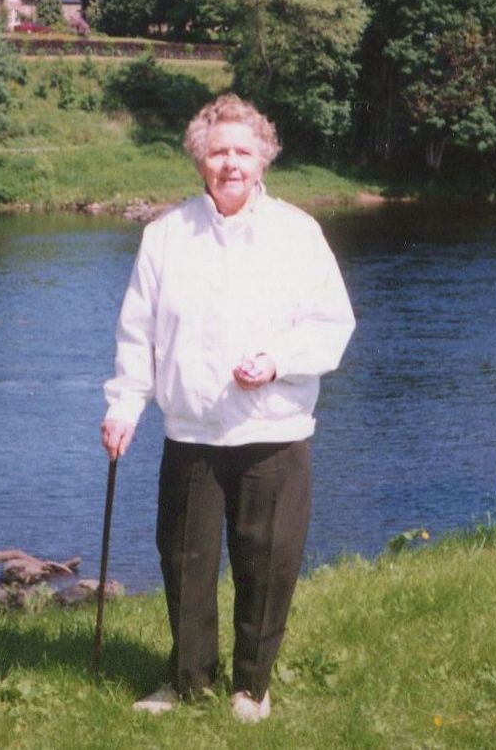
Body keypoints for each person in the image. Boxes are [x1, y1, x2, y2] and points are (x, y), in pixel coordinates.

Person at [100, 94, 355, 724]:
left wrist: (277, 360)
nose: (231, 163)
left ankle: (251, 687)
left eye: (243, 151)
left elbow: (333, 324)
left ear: (264, 157)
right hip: (190, 431)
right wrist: (125, 406)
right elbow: (139, 335)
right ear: (199, 161)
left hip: (273, 430)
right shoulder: (165, 237)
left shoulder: (298, 233)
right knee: (185, 562)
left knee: (265, 562)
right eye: (219, 152)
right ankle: (188, 682)